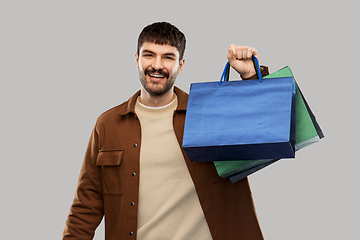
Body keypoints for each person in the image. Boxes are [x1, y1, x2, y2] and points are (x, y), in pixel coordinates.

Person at [63, 22, 269, 240]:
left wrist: (251, 77)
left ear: (180, 65)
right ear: (137, 59)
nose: (157, 65)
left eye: (168, 57)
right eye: (149, 55)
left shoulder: (208, 114)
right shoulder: (107, 125)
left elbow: (261, 130)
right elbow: (86, 205)